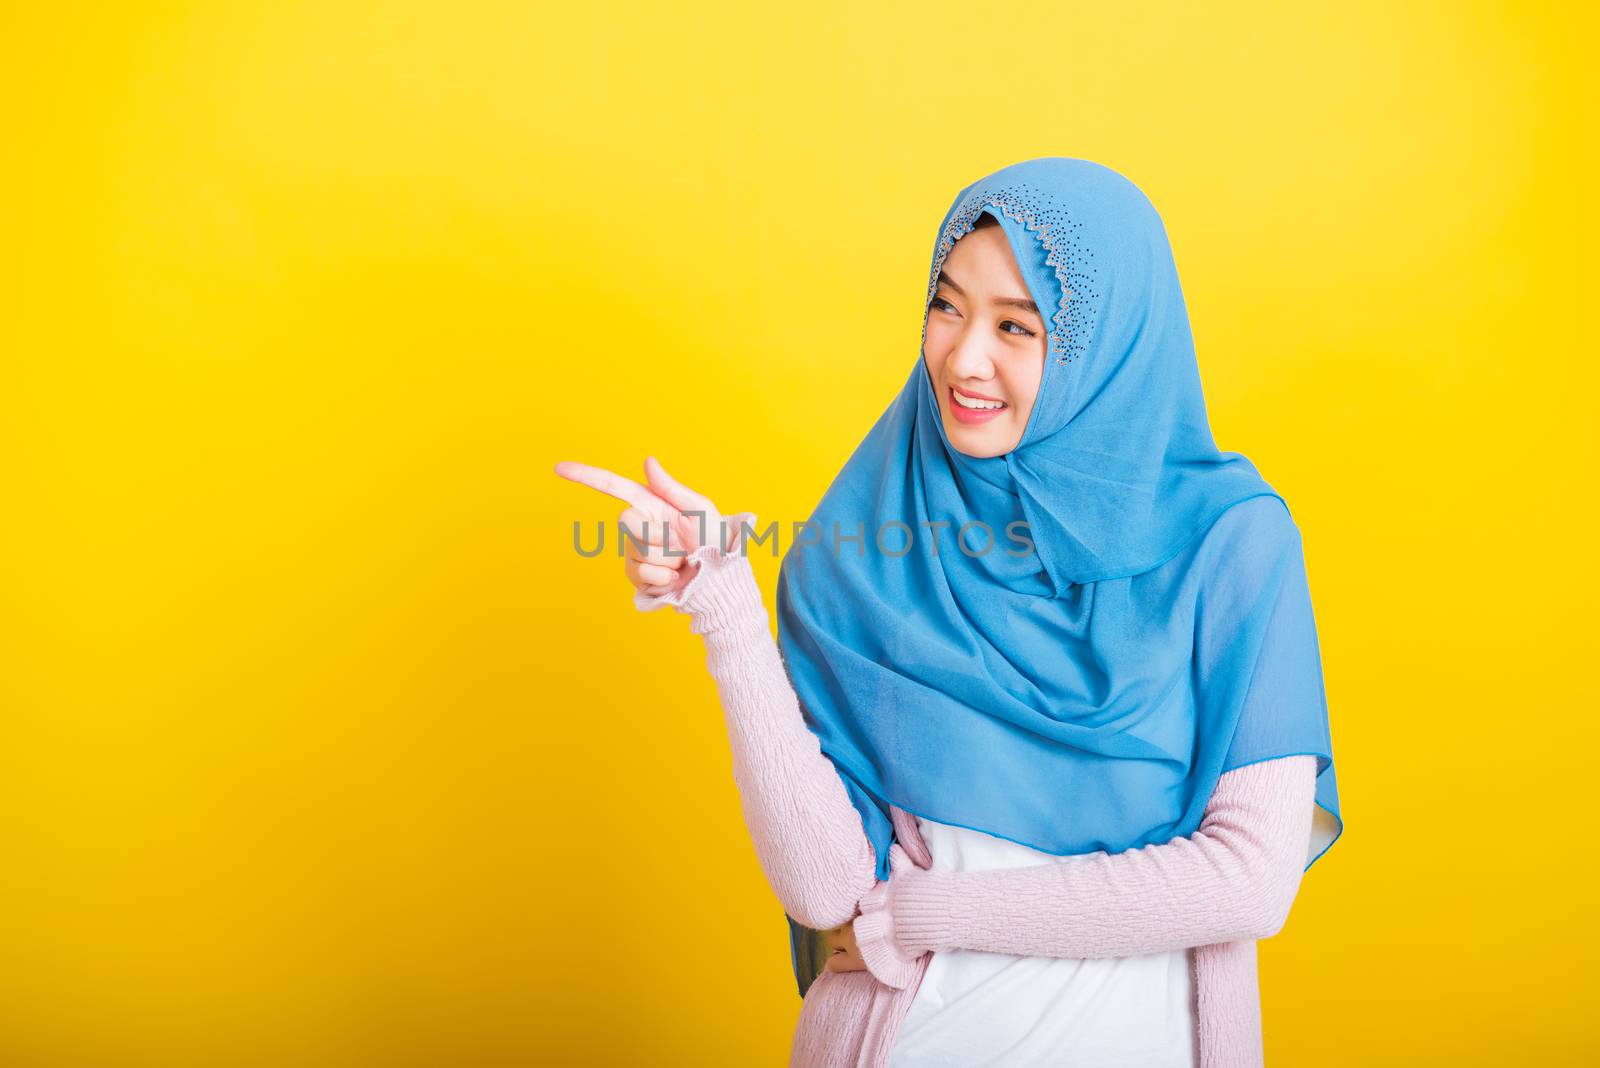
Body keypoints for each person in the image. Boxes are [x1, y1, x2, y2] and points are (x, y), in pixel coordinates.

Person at [555, 157, 1342, 1067]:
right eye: (947, 304)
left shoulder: (1231, 545)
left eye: (1018, 325)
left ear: (1109, 347)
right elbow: (825, 892)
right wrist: (723, 605)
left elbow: (1249, 880)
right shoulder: (861, 552)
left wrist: (927, 913)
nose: (964, 358)